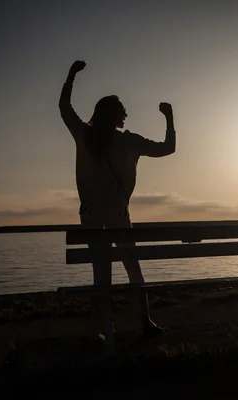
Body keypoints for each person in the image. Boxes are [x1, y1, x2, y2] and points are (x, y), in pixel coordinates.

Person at [59, 60, 176, 346]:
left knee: (102, 275)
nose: (126, 112)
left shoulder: (85, 135)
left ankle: (104, 330)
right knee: (133, 269)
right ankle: (145, 322)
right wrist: (169, 117)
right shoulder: (130, 142)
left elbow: (64, 107)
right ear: (115, 115)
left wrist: (71, 76)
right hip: (119, 215)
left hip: (90, 215)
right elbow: (168, 148)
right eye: (122, 109)